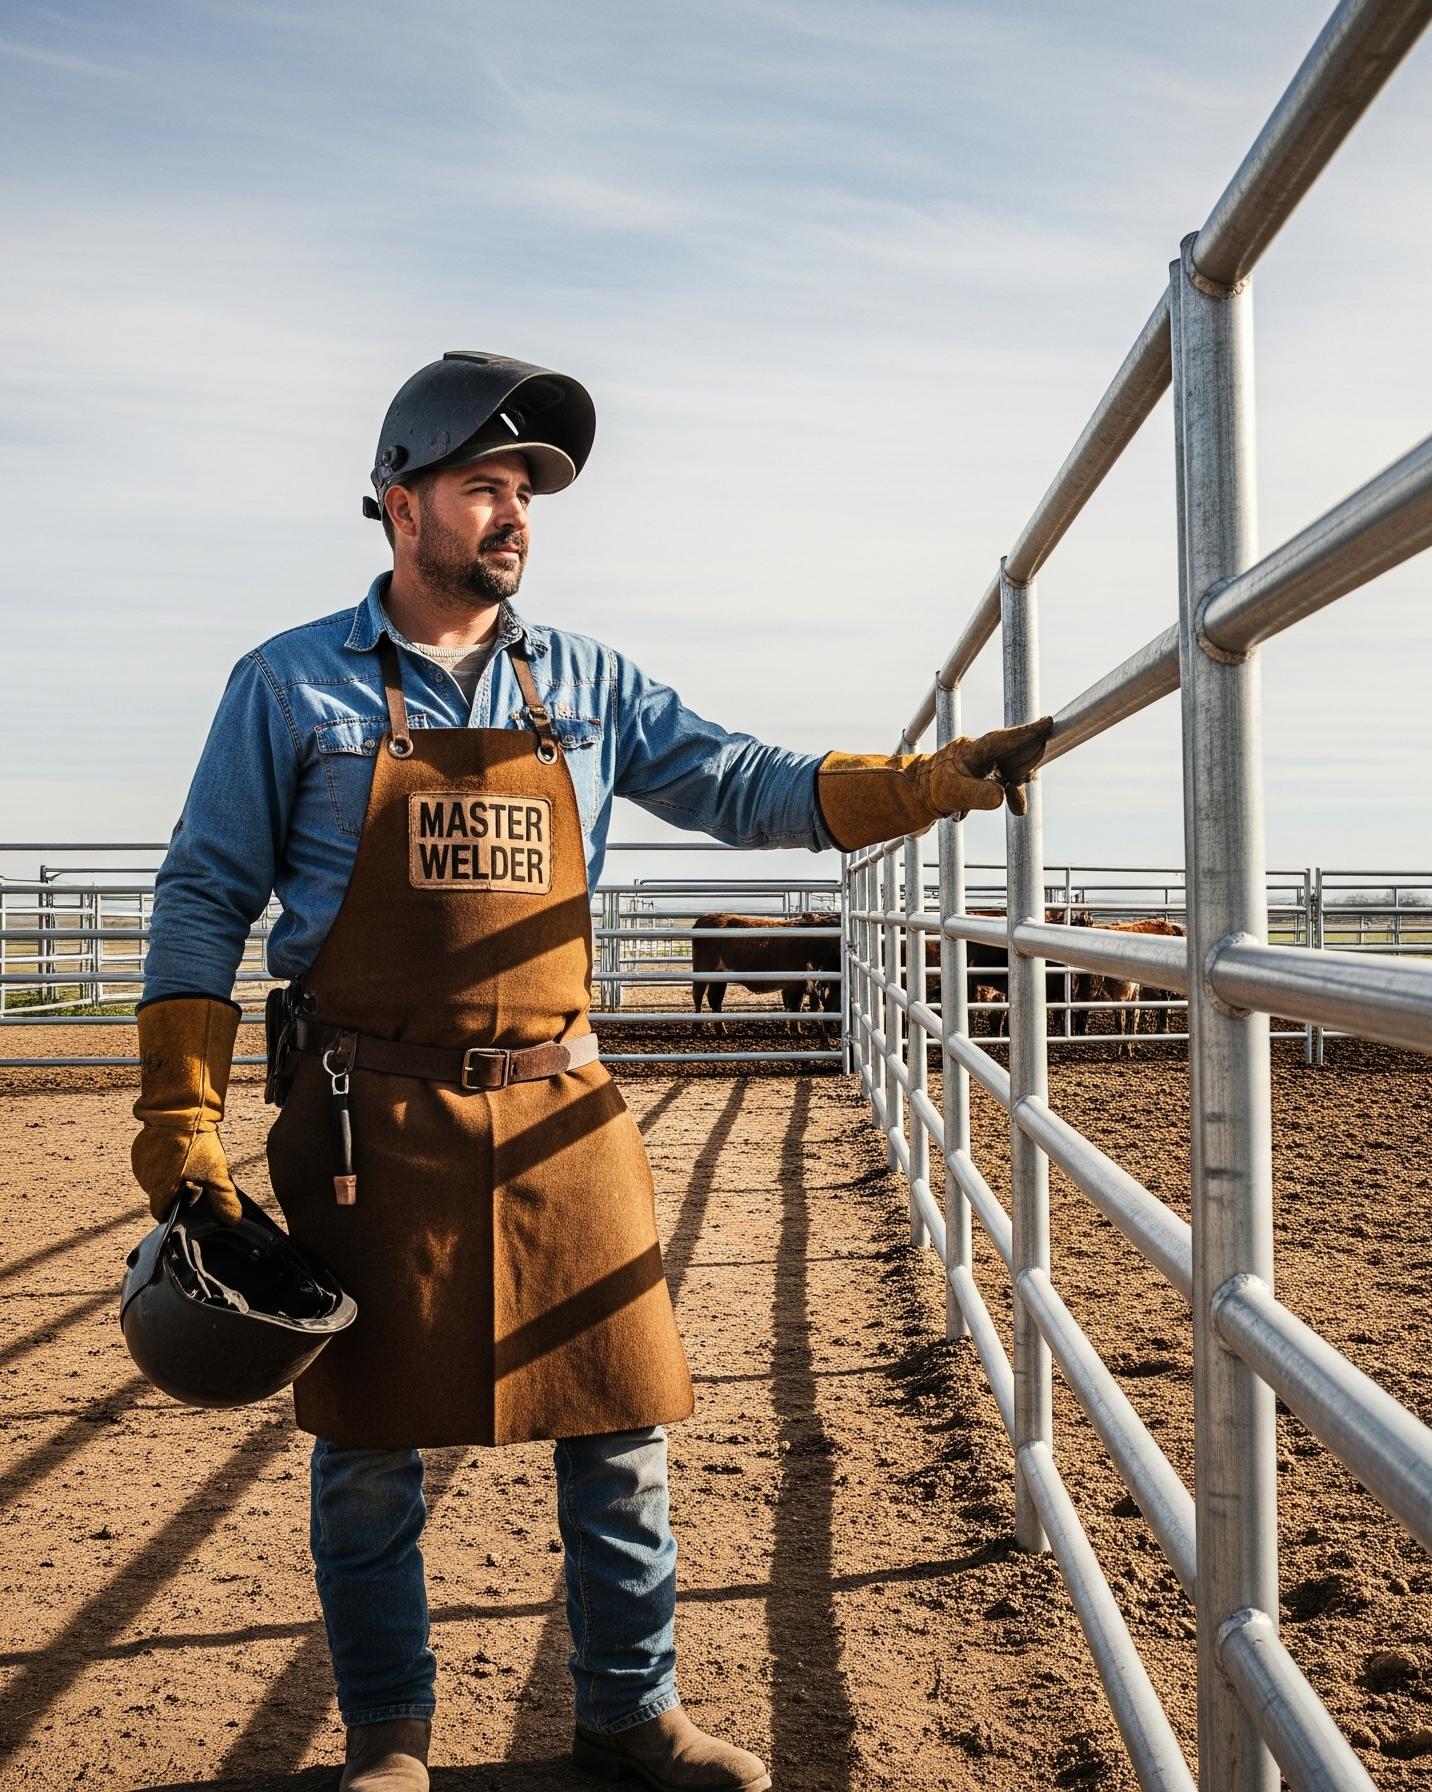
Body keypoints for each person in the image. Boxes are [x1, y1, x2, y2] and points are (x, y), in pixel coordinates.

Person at [128, 350, 1047, 1792]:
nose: (514, 516)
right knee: (371, 1454)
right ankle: (388, 1742)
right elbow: (203, 896)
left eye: (526, 492)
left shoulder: (591, 683)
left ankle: (633, 1716)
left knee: (620, 1431)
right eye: (483, 487)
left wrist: (921, 784)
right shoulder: (287, 684)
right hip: (370, 1110)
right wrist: (180, 1109)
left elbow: (741, 780)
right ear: (396, 503)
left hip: (563, 1100)